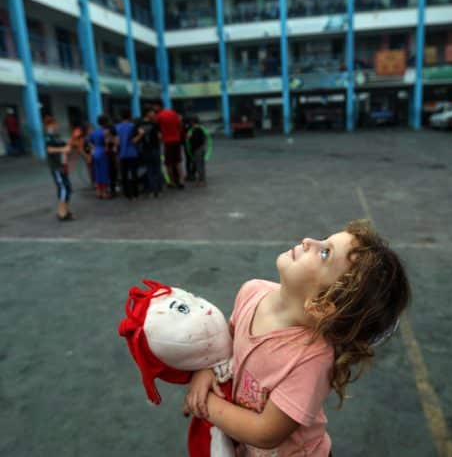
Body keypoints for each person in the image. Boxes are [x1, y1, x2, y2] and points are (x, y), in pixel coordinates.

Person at [183, 220, 410, 456]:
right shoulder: (252, 291)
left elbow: (265, 433)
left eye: (324, 253)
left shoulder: (311, 359)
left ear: (322, 305)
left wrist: (204, 403)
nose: (308, 241)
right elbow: (225, 348)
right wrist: (207, 370)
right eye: (324, 240)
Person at [43, 115, 74, 221]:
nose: (56, 126)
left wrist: (72, 140)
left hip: (62, 165)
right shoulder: (48, 137)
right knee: (63, 188)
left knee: (68, 188)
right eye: (54, 124)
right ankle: (62, 213)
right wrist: (63, 149)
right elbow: (50, 150)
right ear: (49, 125)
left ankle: (65, 210)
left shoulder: (56, 136)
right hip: (56, 167)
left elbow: (65, 145)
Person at [153, 99, 185, 189]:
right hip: (177, 140)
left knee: (168, 163)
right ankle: (181, 180)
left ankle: (171, 182)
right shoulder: (173, 113)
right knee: (178, 162)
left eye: (155, 107)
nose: (154, 109)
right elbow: (180, 125)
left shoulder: (159, 116)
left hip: (167, 141)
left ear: (159, 106)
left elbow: (155, 128)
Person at [133, 106, 163, 197]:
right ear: (147, 113)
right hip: (154, 148)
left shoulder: (138, 124)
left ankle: (151, 190)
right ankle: (158, 189)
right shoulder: (155, 124)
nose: (154, 114)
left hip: (145, 149)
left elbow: (135, 140)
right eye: (152, 112)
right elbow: (160, 137)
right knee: (157, 169)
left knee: (149, 170)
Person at [115, 109, 139, 199]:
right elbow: (135, 140)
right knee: (134, 173)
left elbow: (117, 142)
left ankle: (127, 194)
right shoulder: (133, 126)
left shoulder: (117, 127)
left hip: (122, 153)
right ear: (130, 116)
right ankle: (135, 193)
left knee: (124, 174)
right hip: (132, 152)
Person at [87, 115, 111, 199]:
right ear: (106, 122)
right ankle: (104, 192)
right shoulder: (105, 132)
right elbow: (107, 143)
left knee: (97, 172)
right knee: (104, 172)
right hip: (102, 152)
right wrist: (106, 148)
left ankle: (98, 192)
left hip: (95, 152)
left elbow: (88, 141)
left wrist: (93, 148)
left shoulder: (94, 132)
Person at [186, 116, 208, 187]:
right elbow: (204, 138)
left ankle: (202, 181)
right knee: (201, 164)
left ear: (193, 122)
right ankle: (202, 180)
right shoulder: (201, 129)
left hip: (197, 150)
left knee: (199, 165)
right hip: (202, 148)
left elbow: (194, 141)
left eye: (191, 122)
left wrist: (189, 137)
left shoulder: (194, 130)